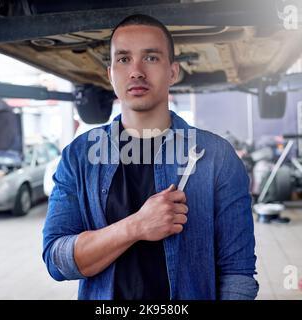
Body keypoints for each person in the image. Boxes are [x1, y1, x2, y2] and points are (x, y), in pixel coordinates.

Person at [42, 14, 259, 300]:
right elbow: (57, 260)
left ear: (172, 72)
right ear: (110, 74)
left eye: (151, 58)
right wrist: (137, 226)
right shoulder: (79, 157)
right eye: (123, 59)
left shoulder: (216, 157)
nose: (136, 71)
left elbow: (238, 276)